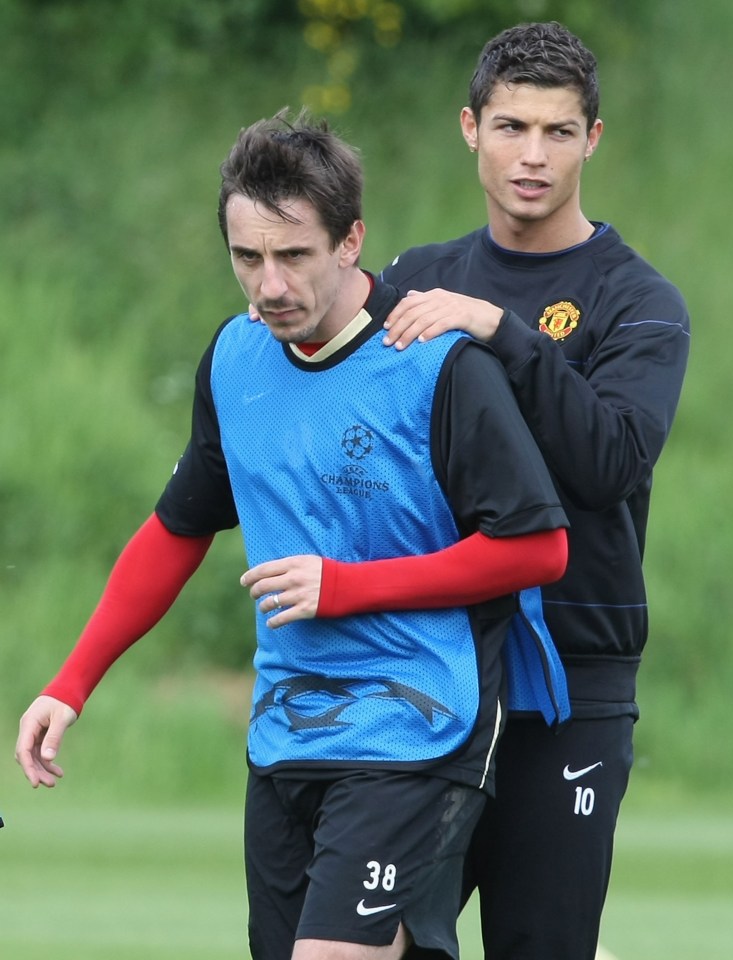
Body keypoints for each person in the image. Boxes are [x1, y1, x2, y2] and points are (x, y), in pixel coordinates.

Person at [16, 110, 570, 960]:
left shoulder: (438, 367)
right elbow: (177, 529)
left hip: (418, 726)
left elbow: (537, 549)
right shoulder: (235, 360)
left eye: (294, 255)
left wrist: (349, 585)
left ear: (351, 241)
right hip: (288, 730)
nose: (270, 285)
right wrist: (72, 681)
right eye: (248, 258)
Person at [380, 21, 690, 960]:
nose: (533, 155)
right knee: (373, 940)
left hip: (572, 682)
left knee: (540, 944)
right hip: (430, 667)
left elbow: (610, 463)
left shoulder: (639, 299)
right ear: (468, 127)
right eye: (512, 126)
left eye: (559, 132)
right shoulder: (412, 279)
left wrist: (502, 332)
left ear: (592, 139)